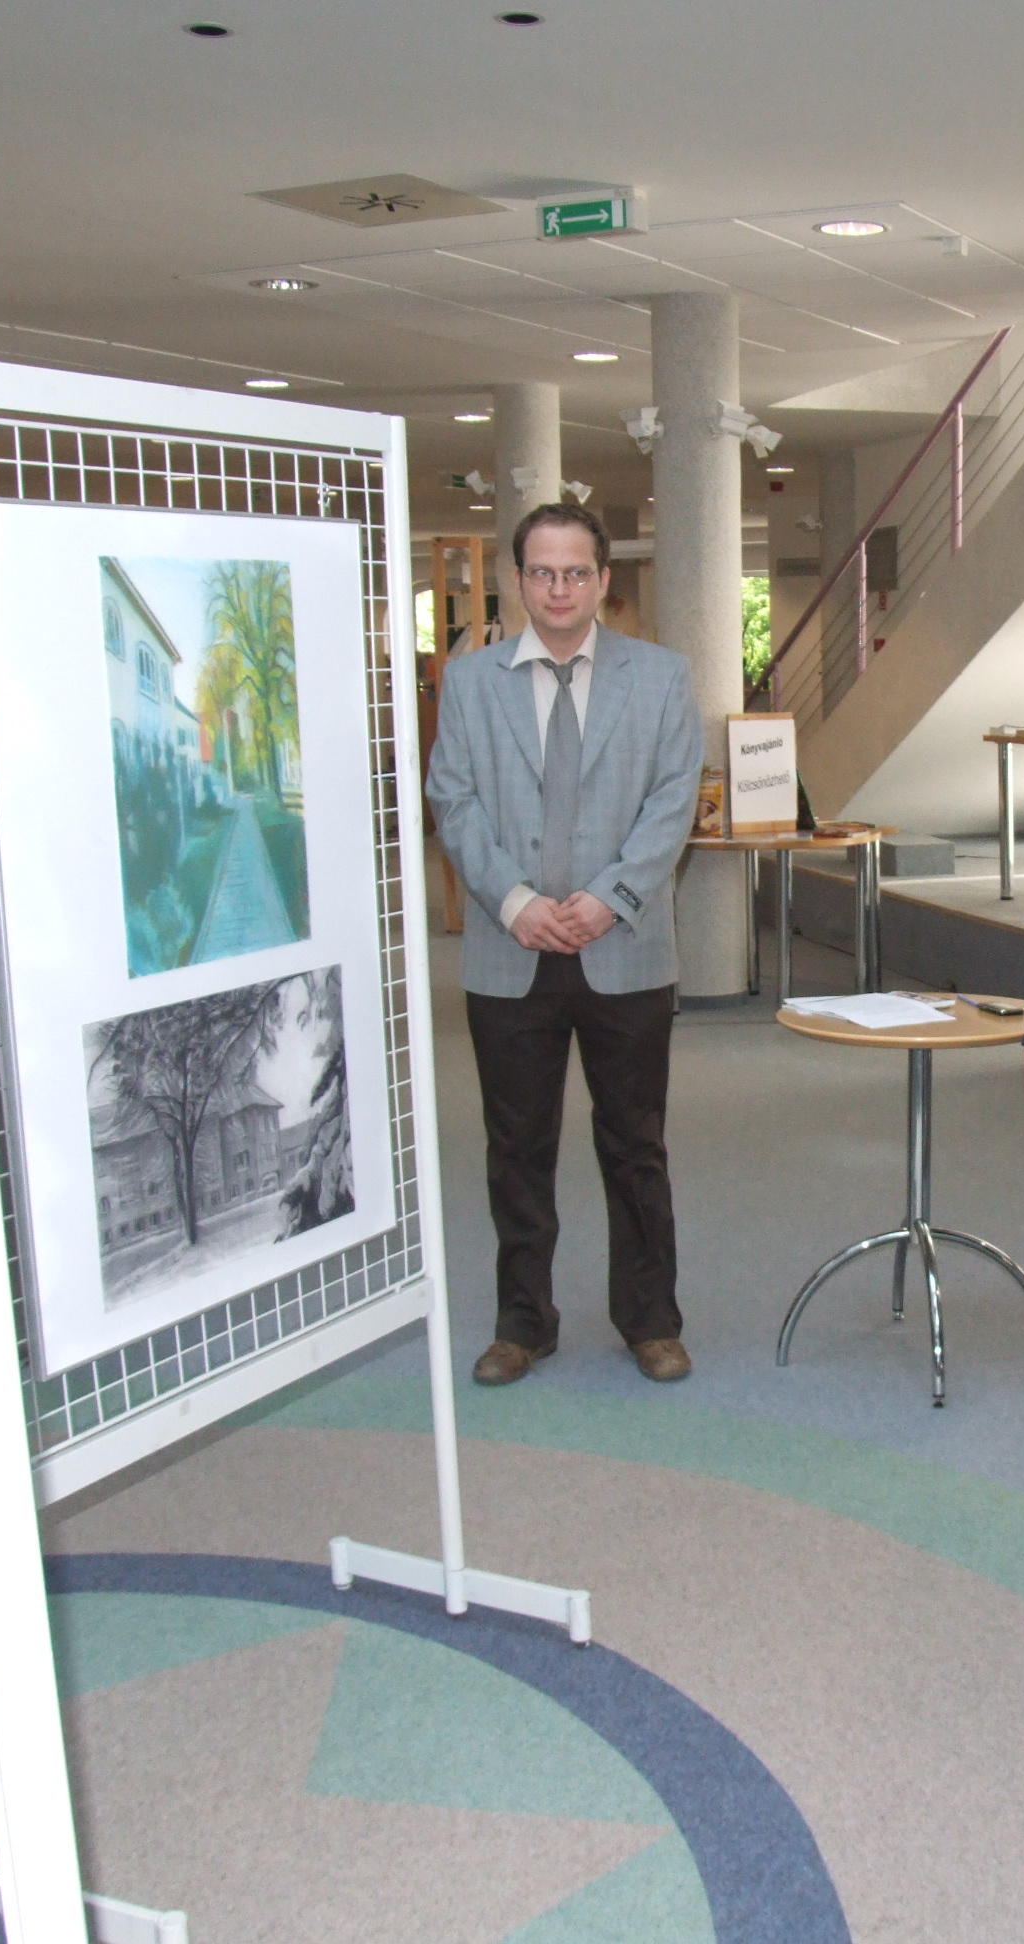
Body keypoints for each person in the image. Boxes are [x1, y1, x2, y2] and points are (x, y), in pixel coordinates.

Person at [425, 503, 705, 1386]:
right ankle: (523, 1323)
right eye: (542, 573)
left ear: (603, 581)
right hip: (511, 953)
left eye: (575, 572)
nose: (558, 589)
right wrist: (513, 903)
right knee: (516, 1148)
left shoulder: (660, 677)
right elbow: (453, 801)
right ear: (518, 581)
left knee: (635, 1144)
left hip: (624, 950)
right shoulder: (469, 683)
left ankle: (650, 1320)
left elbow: (674, 799)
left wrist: (611, 898)